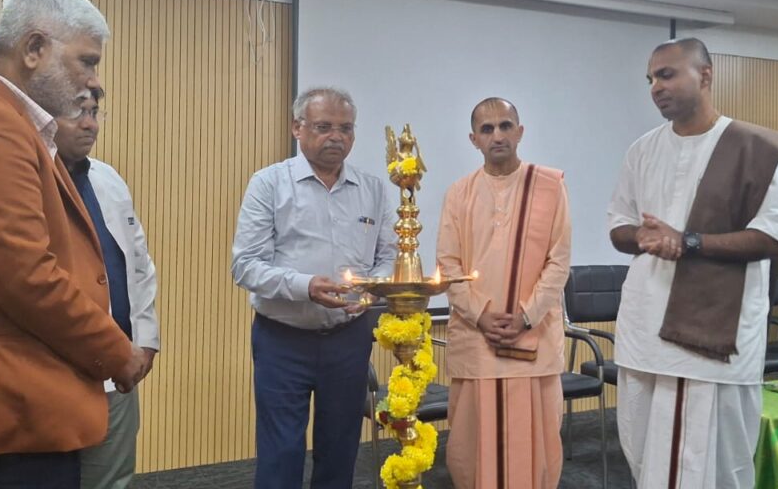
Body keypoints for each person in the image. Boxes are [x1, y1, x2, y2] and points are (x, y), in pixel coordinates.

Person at [0, 0, 150, 488]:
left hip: (25, 410)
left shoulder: (13, 126)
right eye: (86, 61)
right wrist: (117, 353)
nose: (92, 79)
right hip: (5, 416)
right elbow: (28, 278)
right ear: (35, 48)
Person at [608, 38, 778, 489]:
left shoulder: (754, 148)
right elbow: (618, 228)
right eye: (651, 79)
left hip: (715, 331)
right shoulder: (641, 150)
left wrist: (689, 241)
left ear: (706, 76)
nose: (656, 86)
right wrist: (641, 236)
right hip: (645, 326)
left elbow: (772, 235)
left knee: (712, 459)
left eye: (667, 74)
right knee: (642, 451)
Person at [231, 87, 397, 489]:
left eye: (345, 128)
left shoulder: (374, 189)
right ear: (297, 128)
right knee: (282, 452)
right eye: (323, 127)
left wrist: (373, 290)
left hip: (349, 337)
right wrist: (305, 286)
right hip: (282, 340)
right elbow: (245, 265)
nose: (336, 137)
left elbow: (390, 256)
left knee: (340, 448)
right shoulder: (269, 183)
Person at [437, 98, 572, 488]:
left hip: (533, 336)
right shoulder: (458, 193)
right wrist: (481, 315)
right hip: (478, 339)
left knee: (537, 443)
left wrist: (526, 315)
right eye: (487, 129)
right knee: (471, 444)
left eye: (505, 125)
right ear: (473, 139)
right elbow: (448, 265)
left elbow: (559, 260)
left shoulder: (549, 188)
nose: (497, 135)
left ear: (520, 131)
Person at [54, 89, 162, 489]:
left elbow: (138, 264)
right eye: (77, 112)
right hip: (52, 375)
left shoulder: (108, 179)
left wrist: (145, 341)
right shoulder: (27, 181)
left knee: (112, 480)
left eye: (95, 112)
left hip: (116, 371)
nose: (90, 123)